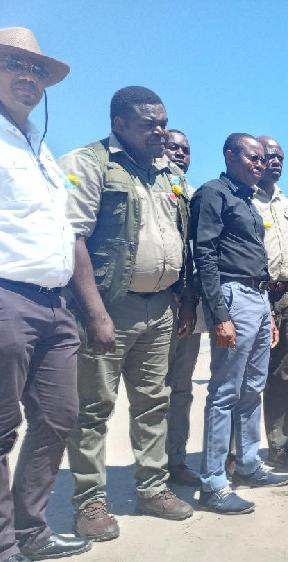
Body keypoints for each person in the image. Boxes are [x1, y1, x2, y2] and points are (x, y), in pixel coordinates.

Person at [60, 86, 195, 541]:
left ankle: (153, 488)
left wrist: (183, 295)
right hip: (109, 306)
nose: (160, 132)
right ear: (119, 124)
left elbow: (181, 235)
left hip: (160, 306)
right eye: (148, 124)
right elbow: (74, 238)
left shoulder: (169, 172)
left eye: (163, 123)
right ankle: (90, 501)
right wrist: (95, 312)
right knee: (94, 407)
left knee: (153, 402)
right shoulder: (90, 163)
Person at [0, 27, 91, 561]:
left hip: (55, 304)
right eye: (14, 64)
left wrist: (89, 309)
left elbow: (66, 231)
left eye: (36, 70)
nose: (28, 77)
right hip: (6, 297)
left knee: (58, 416)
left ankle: (31, 531)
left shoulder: (40, 146)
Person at [191, 133, 288, 515]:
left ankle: (248, 462)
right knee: (225, 392)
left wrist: (267, 312)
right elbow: (204, 254)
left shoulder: (247, 200)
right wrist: (220, 315)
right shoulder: (213, 193)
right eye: (253, 157)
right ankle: (213, 482)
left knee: (252, 388)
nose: (260, 164)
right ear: (230, 155)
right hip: (232, 295)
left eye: (263, 159)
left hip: (258, 298)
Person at [253, 136, 288, 471]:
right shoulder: (242, 199)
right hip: (254, 293)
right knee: (245, 377)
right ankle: (235, 454)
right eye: (268, 156)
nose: (274, 162)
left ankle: (280, 446)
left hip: (287, 295)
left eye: (280, 158)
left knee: (286, 373)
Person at [163, 129, 204, 487]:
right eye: (172, 146)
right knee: (150, 392)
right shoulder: (146, 186)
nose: (179, 153)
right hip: (146, 300)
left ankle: (174, 461)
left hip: (186, 304)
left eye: (185, 149)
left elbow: (197, 253)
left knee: (180, 388)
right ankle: (150, 469)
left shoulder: (194, 196)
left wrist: (190, 299)